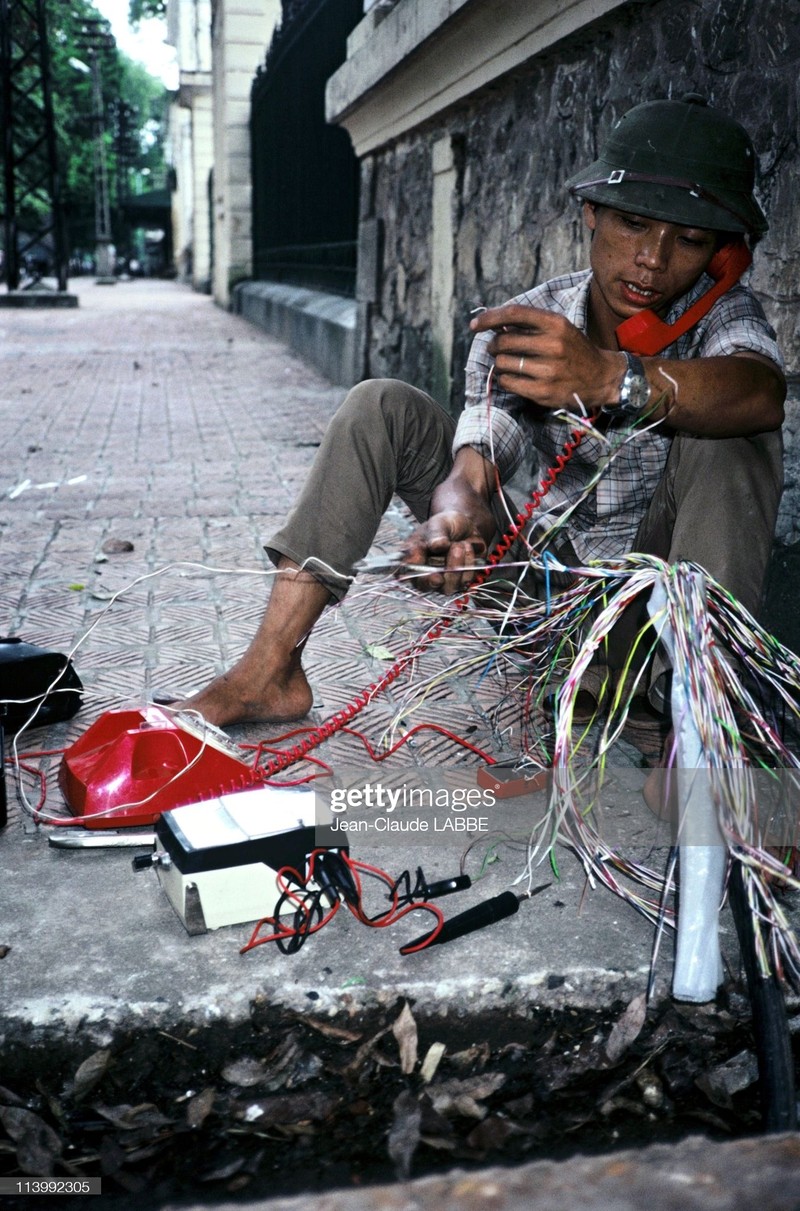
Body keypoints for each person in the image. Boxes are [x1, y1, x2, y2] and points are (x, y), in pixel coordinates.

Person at [178, 94, 785, 730]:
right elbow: (475, 465)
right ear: (591, 213)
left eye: (688, 240)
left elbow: (760, 392)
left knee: (733, 429)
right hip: (536, 602)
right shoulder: (529, 322)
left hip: (653, 623)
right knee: (377, 404)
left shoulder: (722, 318)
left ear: (722, 256)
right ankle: (269, 672)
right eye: (633, 224)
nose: (653, 260)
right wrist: (452, 519)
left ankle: (704, 725)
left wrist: (612, 377)